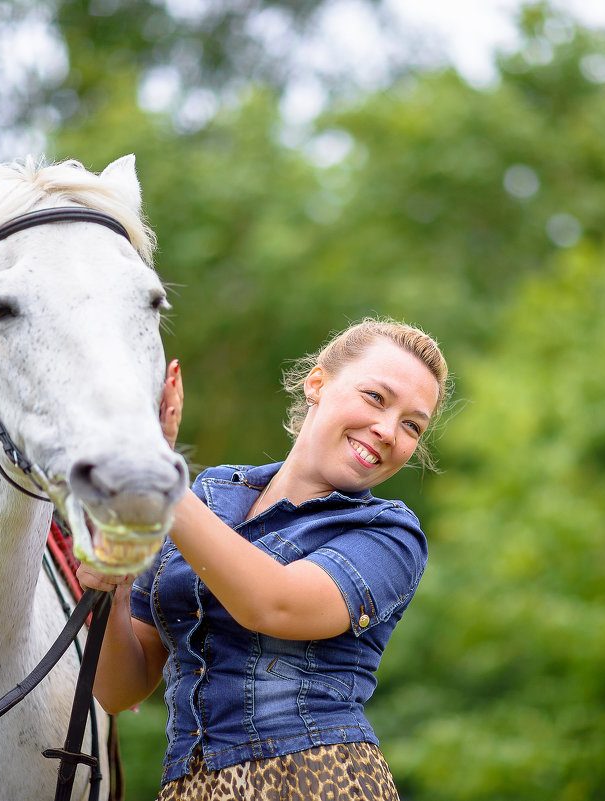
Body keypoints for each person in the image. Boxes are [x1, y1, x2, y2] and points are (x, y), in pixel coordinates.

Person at [78, 317, 452, 800]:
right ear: (316, 383)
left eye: (411, 425)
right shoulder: (210, 494)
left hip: (314, 781)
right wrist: (111, 584)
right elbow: (119, 690)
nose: (386, 430)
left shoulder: (389, 535)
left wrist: (157, 473)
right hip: (187, 786)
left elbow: (272, 604)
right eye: (376, 398)